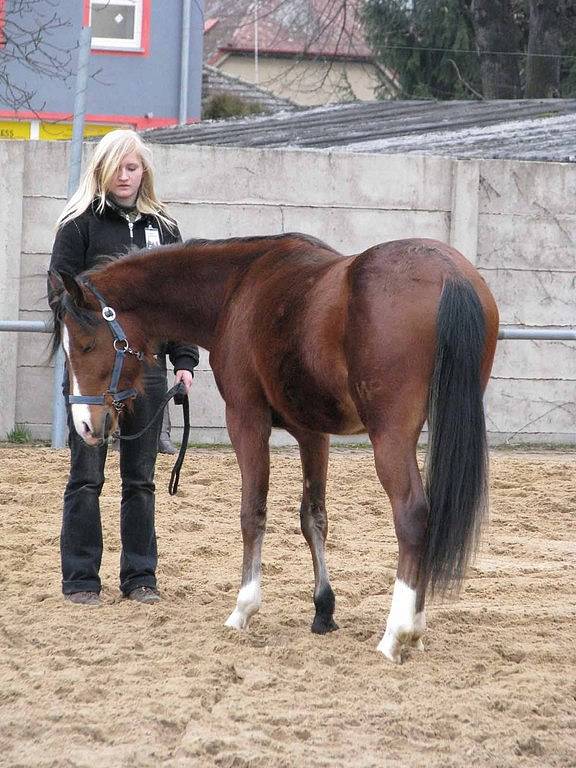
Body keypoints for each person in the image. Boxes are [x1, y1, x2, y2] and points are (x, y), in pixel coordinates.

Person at [48, 129, 199, 606]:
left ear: (143, 172)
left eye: (132, 167)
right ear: (101, 170)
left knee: (140, 479)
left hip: (148, 370)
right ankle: (80, 580)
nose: (124, 176)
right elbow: (61, 294)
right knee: (87, 475)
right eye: (116, 167)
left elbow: (180, 303)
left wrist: (185, 361)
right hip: (97, 370)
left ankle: (139, 578)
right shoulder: (78, 226)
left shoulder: (165, 229)